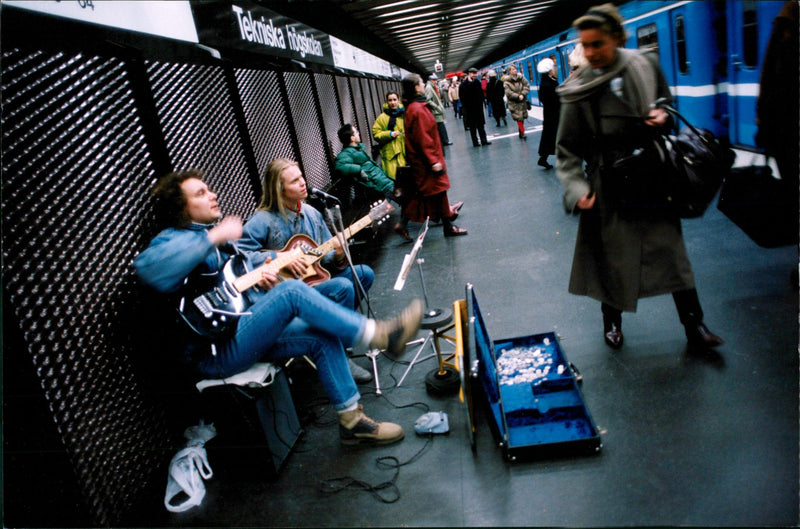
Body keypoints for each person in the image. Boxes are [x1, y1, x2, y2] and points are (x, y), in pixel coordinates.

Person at [134, 169, 423, 445]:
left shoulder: (220, 242)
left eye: (209, 189)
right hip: (214, 352)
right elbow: (149, 269)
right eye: (200, 193)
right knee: (291, 292)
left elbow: (235, 288)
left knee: (319, 333)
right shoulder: (176, 237)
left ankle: (352, 421)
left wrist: (264, 283)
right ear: (181, 208)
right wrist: (215, 236)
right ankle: (380, 335)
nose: (212, 195)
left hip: (240, 330)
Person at [555, 3, 723, 352]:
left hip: (652, 176)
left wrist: (662, 117)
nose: (590, 52)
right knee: (613, 258)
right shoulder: (579, 87)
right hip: (609, 183)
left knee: (673, 255)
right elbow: (567, 148)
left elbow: (667, 104)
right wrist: (576, 187)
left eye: (597, 44)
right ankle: (611, 322)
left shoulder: (645, 65)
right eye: (585, 45)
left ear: (617, 38)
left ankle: (695, 327)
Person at [239, 158, 378, 382]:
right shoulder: (263, 220)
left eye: (302, 177)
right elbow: (238, 256)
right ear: (280, 188)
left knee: (362, 274)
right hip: (283, 294)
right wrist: (278, 258)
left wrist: (339, 254)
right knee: (342, 287)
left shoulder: (312, 213)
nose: (303, 183)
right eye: (295, 181)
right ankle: (339, 355)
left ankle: (331, 335)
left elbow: (326, 255)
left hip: (314, 282)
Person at [399, 73, 467, 238]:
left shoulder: (414, 107)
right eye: (421, 82)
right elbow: (424, 138)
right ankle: (447, 225)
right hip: (426, 161)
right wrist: (433, 161)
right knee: (436, 191)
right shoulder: (418, 109)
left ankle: (445, 222)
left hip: (423, 160)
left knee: (433, 193)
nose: (424, 85)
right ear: (416, 87)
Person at [334, 124, 396, 202]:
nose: (358, 134)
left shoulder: (356, 150)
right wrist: (359, 170)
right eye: (356, 132)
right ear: (352, 138)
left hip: (383, 182)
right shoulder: (347, 153)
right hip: (380, 186)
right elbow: (339, 166)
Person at [372, 91, 406, 180]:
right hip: (390, 155)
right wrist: (389, 134)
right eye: (390, 100)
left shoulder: (405, 114)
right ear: (386, 102)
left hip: (405, 152)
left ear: (399, 100)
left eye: (395, 100)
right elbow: (376, 133)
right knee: (394, 180)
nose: (393, 102)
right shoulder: (382, 118)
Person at [536, 57, 560, 169]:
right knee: (555, 135)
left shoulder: (547, 82)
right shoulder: (548, 84)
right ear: (549, 70)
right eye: (553, 67)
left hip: (550, 114)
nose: (554, 69)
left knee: (549, 136)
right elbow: (553, 99)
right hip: (554, 114)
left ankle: (543, 158)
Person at [459, 67, 491, 147]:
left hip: (478, 108)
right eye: (473, 73)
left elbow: (481, 94)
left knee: (481, 126)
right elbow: (462, 97)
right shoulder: (463, 85)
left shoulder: (477, 82)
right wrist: (466, 107)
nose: (474, 75)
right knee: (472, 127)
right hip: (469, 109)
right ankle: (475, 142)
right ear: (469, 73)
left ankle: (484, 140)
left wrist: (481, 104)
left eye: (475, 73)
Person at [424, 74, 452, 147]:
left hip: (436, 111)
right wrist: (437, 107)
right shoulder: (429, 88)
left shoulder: (432, 87)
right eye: (434, 80)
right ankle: (444, 141)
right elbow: (428, 100)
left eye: (436, 80)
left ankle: (443, 141)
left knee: (440, 126)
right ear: (430, 80)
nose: (435, 81)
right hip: (435, 112)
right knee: (441, 126)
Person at [504, 64, 530, 140]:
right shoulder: (506, 82)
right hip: (514, 103)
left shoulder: (521, 78)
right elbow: (508, 93)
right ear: (509, 71)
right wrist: (518, 96)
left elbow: (527, 86)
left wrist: (523, 94)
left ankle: (521, 132)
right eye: (513, 69)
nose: (515, 70)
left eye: (515, 69)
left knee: (522, 118)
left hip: (522, 102)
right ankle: (522, 132)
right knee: (518, 118)